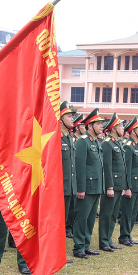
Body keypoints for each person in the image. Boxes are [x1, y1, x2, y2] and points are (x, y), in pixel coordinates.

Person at [72, 109, 105, 258]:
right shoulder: (82, 141)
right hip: (86, 187)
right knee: (82, 218)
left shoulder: (95, 142)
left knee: (91, 218)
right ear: (90, 126)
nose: (101, 126)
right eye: (98, 124)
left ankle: (86, 244)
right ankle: (78, 247)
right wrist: (80, 188)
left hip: (96, 187)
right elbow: (80, 167)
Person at [99, 113, 126, 251]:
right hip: (111, 185)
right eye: (121, 125)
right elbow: (107, 167)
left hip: (118, 185)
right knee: (106, 214)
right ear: (114, 128)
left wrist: (123, 186)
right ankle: (103, 241)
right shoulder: (107, 143)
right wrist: (109, 186)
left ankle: (109, 239)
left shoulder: (118, 143)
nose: (123, 128)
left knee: (114, 214)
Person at [119, 117, 138, 246]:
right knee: (128, 212)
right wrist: (127, 187)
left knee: (133, 212)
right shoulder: (128, 146)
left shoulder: (137, 145)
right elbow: (127, 169)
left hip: (137, 184)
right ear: (133, 131)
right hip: (131, 185)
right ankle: (123, 236)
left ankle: (128, 235)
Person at [58, 102, 77, 254]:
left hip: (68, 187)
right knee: (56, 223)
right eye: (69, 116)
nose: (72, 119)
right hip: (58, 188)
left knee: (62, 222)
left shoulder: (69, 138)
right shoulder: (55, 137)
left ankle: (59, 253)